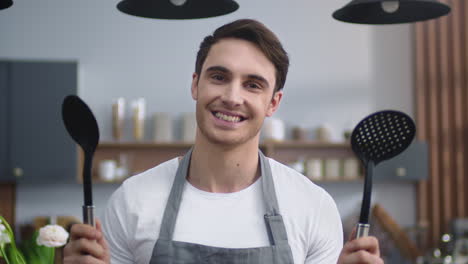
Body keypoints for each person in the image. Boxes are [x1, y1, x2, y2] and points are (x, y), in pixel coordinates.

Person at [64, 19, 384, 264]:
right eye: (219, 77)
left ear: (274, 103)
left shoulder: (313, 207)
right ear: (196, 85)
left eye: (253, 85)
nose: (232, 97)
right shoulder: (132, 201)